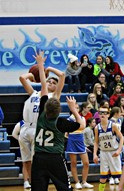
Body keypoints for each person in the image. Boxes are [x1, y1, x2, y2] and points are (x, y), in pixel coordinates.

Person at [31, 51, 85, 191]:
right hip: (54, 157)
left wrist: (41, 65)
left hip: (39, 156)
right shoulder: (61, 122)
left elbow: (45, 84)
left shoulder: (42, 111)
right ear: (59, 109)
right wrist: (73, 110)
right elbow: (81, 125)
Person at [19, 51, 65, 189]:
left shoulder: (53, 96)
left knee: (35, 160)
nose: (50, 83)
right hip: (25, 127)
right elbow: (22, 78)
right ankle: (27, 180)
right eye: (49, 81)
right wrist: (33, 76)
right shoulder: (34, 92)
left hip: (38, 129)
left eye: (53, 82)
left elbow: (61, 75)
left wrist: (47, 69)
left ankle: (36, 181)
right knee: (26, 159)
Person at [93, 106, 124, 191]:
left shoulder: (113, 125)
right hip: (103, 153)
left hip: (114, 152)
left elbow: (121, 138)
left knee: (119, 176)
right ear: (98, 114)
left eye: (105, 113)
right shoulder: (97, 128)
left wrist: (119, 150)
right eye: (101, 112)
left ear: (108, 115)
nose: (102, 114)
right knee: (103, 178)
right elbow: (96, 142)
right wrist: (95, 154)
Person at [66, 103, 94, 189]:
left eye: (77, 108)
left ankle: (84, 181)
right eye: (75, 107)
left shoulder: (82, 119)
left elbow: (82, 127)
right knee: (73, 163)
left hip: (80, 142)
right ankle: (77, 182)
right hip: (72, 142)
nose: (76, 109)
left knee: (86, 163)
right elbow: (66, 133)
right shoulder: (68, 119)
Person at [12, 120, 31, 189]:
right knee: (25, 163)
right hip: (24, 146)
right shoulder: (20, 123)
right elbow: (14, 134)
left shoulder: (36, 122)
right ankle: (26, 181)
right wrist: (22, 140)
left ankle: (33, 181)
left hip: (34, 146)